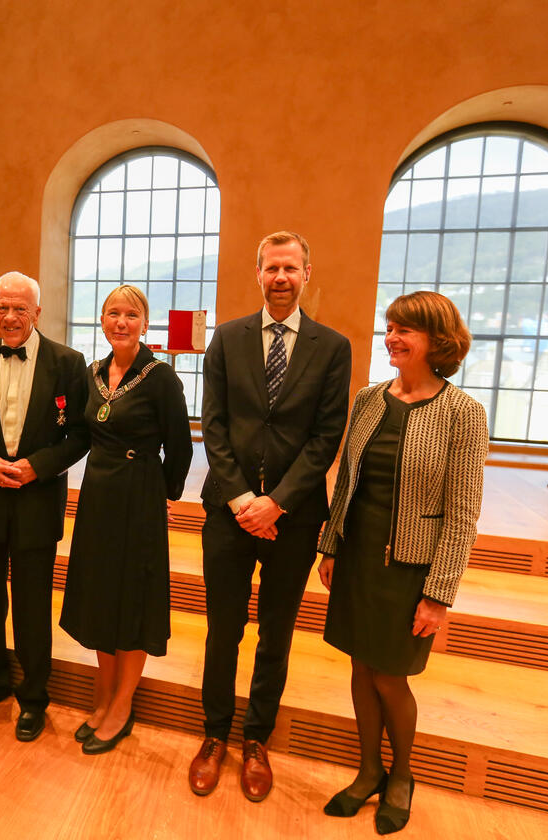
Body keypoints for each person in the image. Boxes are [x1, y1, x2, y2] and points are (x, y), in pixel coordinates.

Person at [317, 290, 488, 834]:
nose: (392, 338)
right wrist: (330, 545)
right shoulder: (369, 399)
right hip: (358, 555)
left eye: (405, 330)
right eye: (389, 327)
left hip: (410, 568)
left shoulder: (464, 413)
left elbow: (462, 514)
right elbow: (346, 480)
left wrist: (439, 595)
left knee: (391, 678)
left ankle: (402, 775)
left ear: (437, 341)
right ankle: (367, 769)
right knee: (360, 669)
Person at [189, 231, 352, 802]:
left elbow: (326, 435)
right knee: (222, 630)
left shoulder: (332, 347)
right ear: (256, 273)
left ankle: (256, 738)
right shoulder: (227, 339)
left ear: (308, 272)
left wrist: (277, 501)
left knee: (275, 633)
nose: (280, 277)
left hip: (295, 516)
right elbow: (213, 425)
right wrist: (240, 500)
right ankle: (214, 735)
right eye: (270, 268)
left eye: (290, 268)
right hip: (227, 512)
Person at [0, 271, 90, 741]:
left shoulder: (69, 362)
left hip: (36, 498)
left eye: (20, 309)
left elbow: (80, 436)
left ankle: (33, 696)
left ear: (37, 313)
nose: (9, 317)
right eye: (2, 308)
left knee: (31, 604)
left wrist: (38, 467)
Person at [59, 284, 192, 754]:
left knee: (132, 601)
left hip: (139, 497)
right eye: (113, 313)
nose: (121, 321)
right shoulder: (93, 373)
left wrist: (167, 496)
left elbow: (180, 446)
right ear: (101, 319)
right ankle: (105, 693)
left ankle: (123, 704)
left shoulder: (160, 377)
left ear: (144, 323)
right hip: (97, 495)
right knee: (100, 596)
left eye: (131, 314)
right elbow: (78, 431)